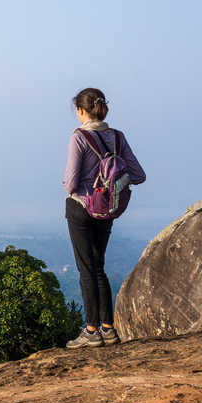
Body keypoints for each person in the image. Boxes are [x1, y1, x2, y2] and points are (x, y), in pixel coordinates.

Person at [63, 88, 146, 348]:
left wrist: (80, 184)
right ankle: (108, 329)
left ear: (81, 111)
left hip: (81, 207)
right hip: (107, 209)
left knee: (86, 269)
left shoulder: (79, 137)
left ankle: (90, 331)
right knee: (99, 267)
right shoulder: (117, 138)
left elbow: (71, 183)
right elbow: (138, 175)